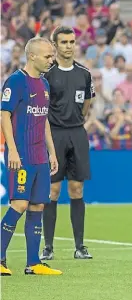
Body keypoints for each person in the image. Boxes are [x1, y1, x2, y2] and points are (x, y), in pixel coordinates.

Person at [0, 37, 62, 276]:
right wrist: (11, 150)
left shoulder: (44, 84)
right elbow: (4, 116)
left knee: (37, 206)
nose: (51, 60)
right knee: (20, 204)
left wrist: (52, 151)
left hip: (40, 156)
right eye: (47, 56)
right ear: (32, 56)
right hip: (22, 154)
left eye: (52, 56)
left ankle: (33, 263)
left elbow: (43, 118)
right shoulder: (15, 82)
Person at [41, 26, 95, 260]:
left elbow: (87, 104)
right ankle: (48, 247)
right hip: (54, 134)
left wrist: (76, 122)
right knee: (52, 190)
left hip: (77, 133)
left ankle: (80, 246)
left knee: (77, 189)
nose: (68, 46)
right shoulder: (47, 74)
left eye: (71, 41)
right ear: (54, 45)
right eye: (63, 42)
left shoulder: (84, 73)